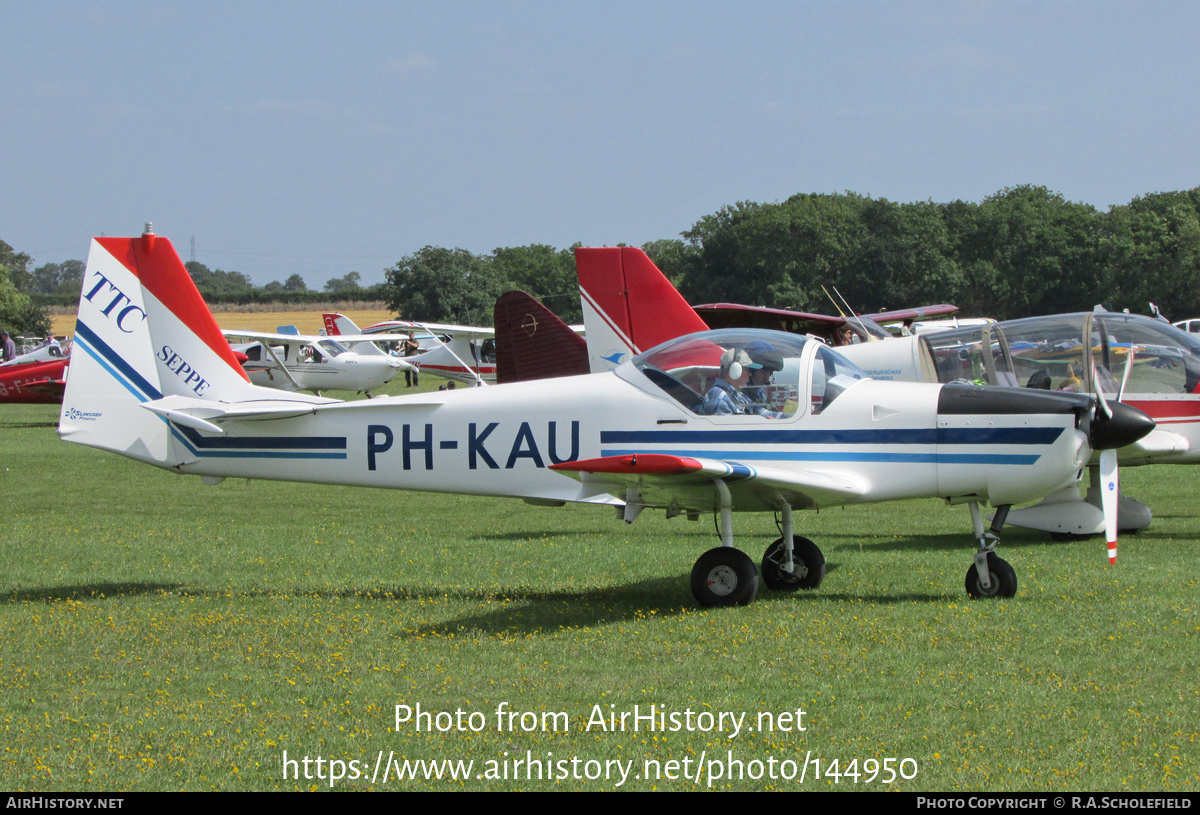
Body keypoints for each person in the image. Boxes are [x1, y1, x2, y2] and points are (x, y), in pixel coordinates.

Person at [698, 341, 785, 418]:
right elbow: (727, 432)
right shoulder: (718, 395)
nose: (750, 374)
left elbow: (763, 413)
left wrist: (792, 419)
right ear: (734, 371)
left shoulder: (740, 397)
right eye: (748, 370)